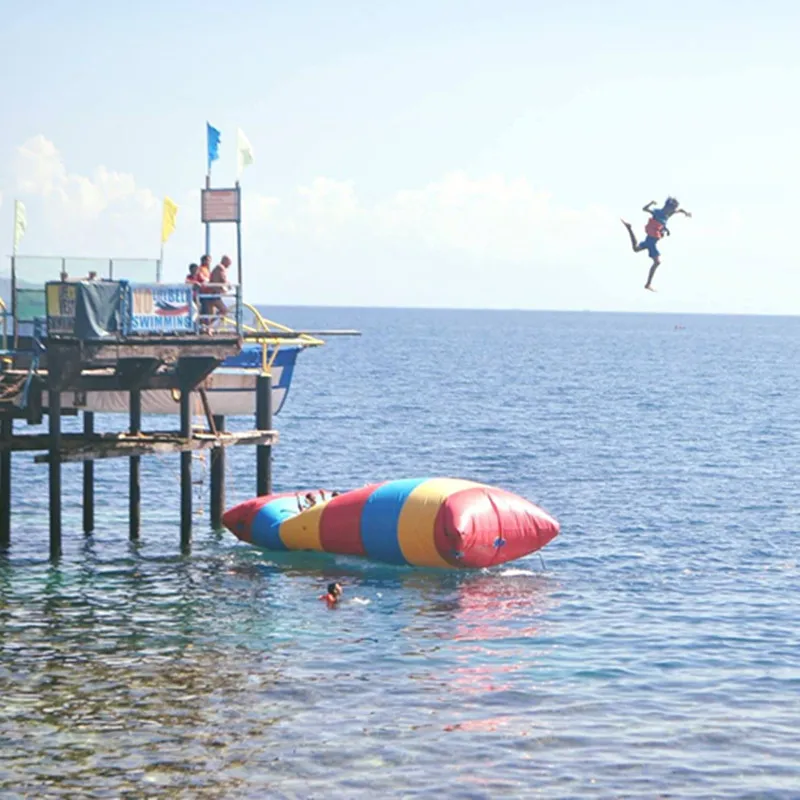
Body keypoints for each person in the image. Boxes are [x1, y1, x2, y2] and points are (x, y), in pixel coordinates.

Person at [621, 197, 692, 292]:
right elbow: (644, 209)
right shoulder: (658, 212)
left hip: (650, 240)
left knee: (636, 248)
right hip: (652, 241)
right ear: (667, 207)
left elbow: (679, 210)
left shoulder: (668, 214)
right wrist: (650, 203)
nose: (673, 211)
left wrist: (686, 213)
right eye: (672, 208)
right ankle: (648, 284)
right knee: (657, 262)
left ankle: (629, 228)